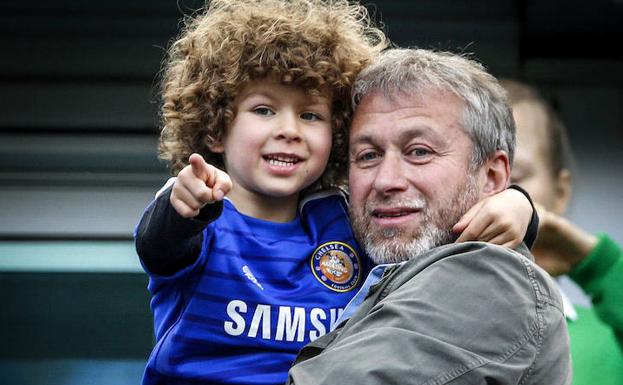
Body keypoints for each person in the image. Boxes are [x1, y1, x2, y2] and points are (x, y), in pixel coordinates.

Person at [135, 1, 537, 384]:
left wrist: (518, 204)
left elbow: (441, 231)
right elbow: (158, 244)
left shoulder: (344, 218)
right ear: (215, 128)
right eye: (263, 110)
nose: (289, 130)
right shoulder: (202, 215)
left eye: (310, 115)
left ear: (338, 135)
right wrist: (184, 204)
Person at [287, 49, 571, 385]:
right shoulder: (353, 257)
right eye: (368, 155)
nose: (386, 180)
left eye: (419, 152)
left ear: (492, 177)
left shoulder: (494, 279)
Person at [502, 78, 623, 385]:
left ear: (561, 192)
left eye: (515, 175)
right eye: (478, 174)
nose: (498, 195)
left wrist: (598, 265)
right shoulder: (410, 331)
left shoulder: (607, 340)